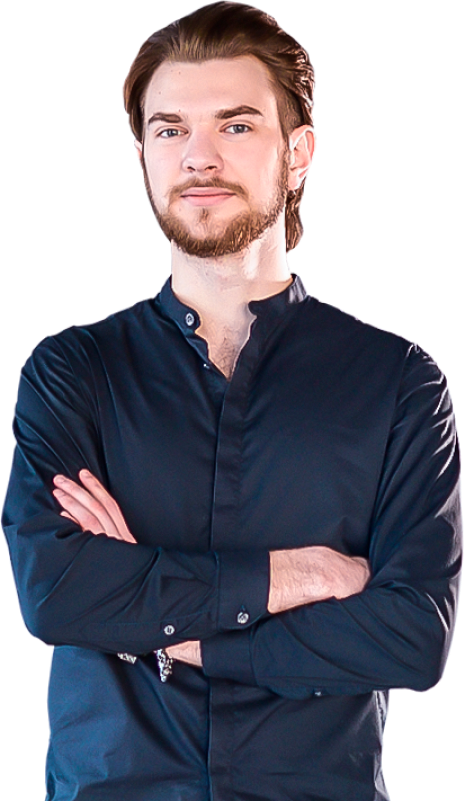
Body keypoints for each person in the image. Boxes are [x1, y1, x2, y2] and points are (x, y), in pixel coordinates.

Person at [2, 3, 462, 800]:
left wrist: (168, 625)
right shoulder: (73, 370)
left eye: (236, 126)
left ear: (297, 153)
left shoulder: (398, 382)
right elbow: (55, 592)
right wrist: (298, 574)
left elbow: (412, 636)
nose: (199, 156)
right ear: (142, 156)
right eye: (171, 129)